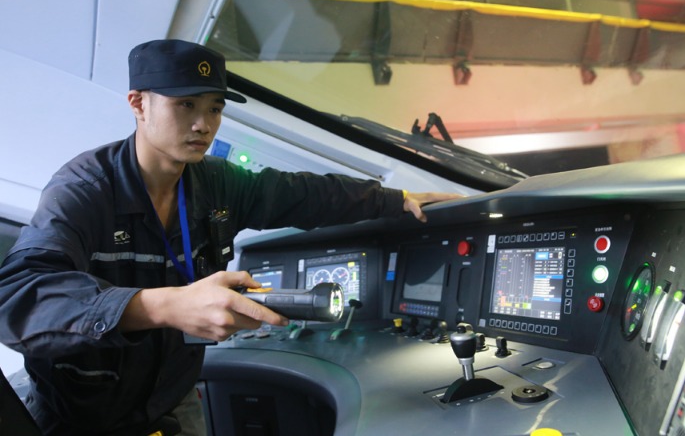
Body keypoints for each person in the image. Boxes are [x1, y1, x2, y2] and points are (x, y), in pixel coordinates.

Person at [0, 39, 461, 435]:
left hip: (169, 403)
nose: (203, 124)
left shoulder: (215, 183)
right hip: (81, 415)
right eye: (186, 105)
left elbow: (304, 195)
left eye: (214, 108)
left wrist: (395, 198)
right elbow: (18, 299)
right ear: (138, 103)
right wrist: (165, 305)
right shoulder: (84, 191)